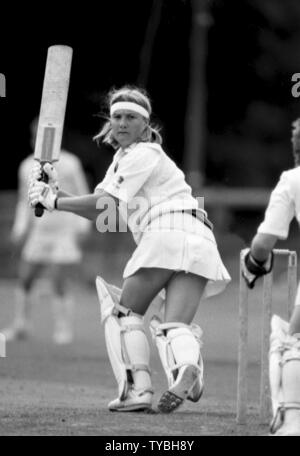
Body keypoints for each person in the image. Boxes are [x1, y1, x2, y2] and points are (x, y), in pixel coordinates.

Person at [28, 86, 231, 413]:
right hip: (199, 237)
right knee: (174, 324)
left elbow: (104, 203)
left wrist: (53, 201)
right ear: (110, 122)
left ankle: (138, 392)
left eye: (131, 118)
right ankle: (188, 367)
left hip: (165, 233)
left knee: (123, 313)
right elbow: (101, 211)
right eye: (117, 116)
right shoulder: (132, 160)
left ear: (146, 126)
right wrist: (53, 192)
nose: (122, 123)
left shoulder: (142, 154)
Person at [2, 119, 91, 344]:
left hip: (64, 231)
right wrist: (20, 229)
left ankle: (63, 329)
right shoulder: (26, 166)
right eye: (35, 135)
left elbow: (82, 194)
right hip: (39, 232)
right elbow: (25, 201)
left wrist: (84, 226)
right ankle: (21, 324)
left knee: (58, 281)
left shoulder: (70, 163)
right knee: (25, 278)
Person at [241, 118, 300, 436]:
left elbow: (264, 243)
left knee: (294, 341)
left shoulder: (293, 179)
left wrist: (253, 264)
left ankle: (293, 419)